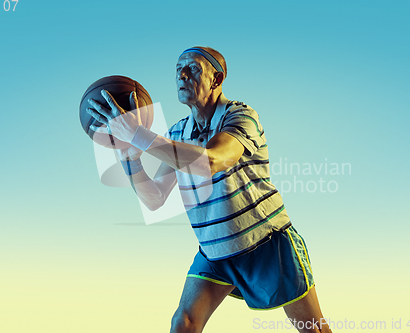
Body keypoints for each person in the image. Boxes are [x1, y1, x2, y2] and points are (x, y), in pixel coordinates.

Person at [86, 46, 332, 333]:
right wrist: (128, 155)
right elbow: (154, 198)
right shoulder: (177, 133)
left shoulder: (241, 116)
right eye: (178, 69)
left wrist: (138, 135)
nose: (182, 74)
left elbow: (211, 160)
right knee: (184, 323)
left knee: (311, 328)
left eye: (192, 68)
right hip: (215, 249)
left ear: (217, 78)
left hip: (265, 240)